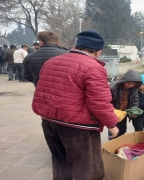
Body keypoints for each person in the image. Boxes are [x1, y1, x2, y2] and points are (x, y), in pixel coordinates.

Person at [32, 30, 119, 179]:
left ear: (77, 46)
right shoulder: (93, 67)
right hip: (77, 128)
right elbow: (99, 102)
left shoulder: (52, 61)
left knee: (60, 165)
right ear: (98, 52)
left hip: (49, 122)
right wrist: (112, 124)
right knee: (87, 169)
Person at [109, 70, 142, 137]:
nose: (130, 85)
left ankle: (119, 142)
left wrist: (133, 111)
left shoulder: (134, 89)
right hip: (114, 112)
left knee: (123, 130)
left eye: (133, 84)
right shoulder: (113, 87)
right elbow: (107, 101)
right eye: (128, 83)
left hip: (123, 113)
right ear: (124, 80)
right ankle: (111, 145)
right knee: (114, 132)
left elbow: (135, 101)